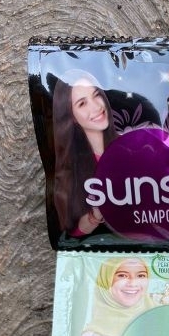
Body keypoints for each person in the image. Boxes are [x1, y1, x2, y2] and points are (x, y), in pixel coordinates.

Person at [52, 70, 117, 236]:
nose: (96, 107)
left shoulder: (132, 147)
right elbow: (72, 232)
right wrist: (97, 213)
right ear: (71, 117)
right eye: (82, 104)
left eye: (96, 95)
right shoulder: (71, 168)